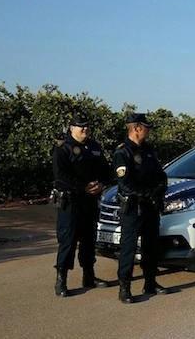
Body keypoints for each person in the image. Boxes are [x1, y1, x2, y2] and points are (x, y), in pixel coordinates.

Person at [52, 114, 112, 297]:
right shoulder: (63, 148)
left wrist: (101, 183)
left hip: (90, 201)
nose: (84, 129)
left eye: (86, 126)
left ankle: (89, 276)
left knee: (89, 240)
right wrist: (83, 187)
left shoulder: (94, 147)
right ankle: (61, 281)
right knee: (68, 241)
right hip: (71, 202)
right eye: (80, 126)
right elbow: (60, 175)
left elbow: (105, 169)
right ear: (71, 128)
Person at [113, 113, 169, 304]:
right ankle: (125, 287)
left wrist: (160, 190)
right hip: (133, 207)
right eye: (146, 127)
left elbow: (160, 175)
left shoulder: (149, 150)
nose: (148, 130)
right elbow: (125, 184)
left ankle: (150, 282)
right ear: (136, 128)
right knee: (128, 248)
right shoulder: (123, 152)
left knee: (150, 246)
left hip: (151, 207)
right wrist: (148, 194)